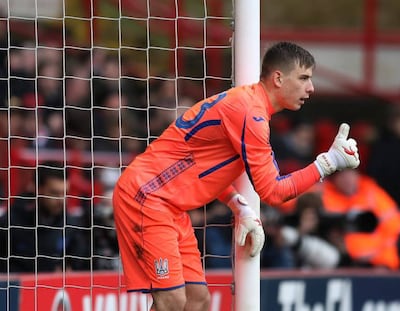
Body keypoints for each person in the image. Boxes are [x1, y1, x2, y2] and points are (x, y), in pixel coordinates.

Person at [112, 41, 361, 311]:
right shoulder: (250, 115)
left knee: (198, 300)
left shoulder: (247, 105)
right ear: (278, 77)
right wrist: (326, 164)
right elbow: (273, 192)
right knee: (172, 301)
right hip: (147, 197)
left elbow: (200, 164)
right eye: (303, 78)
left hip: (169, 203)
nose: (310, 88)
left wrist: (236, 204)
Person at [0, 163, 89, 273]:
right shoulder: (10, 222)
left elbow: (78, 263)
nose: (61, 200)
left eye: (65, 193)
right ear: (37, 189)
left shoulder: (71, 225)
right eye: (54, 193)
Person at [318, 168, 400, 270]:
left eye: (350, 173)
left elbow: (394, 231)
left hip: (376, 266)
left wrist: (385, 263)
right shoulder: (322, 195)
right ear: (334, 178)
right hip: (337, 264)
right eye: (342, 175)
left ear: (357, 174)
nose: (347, 179)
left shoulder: (372, 194)